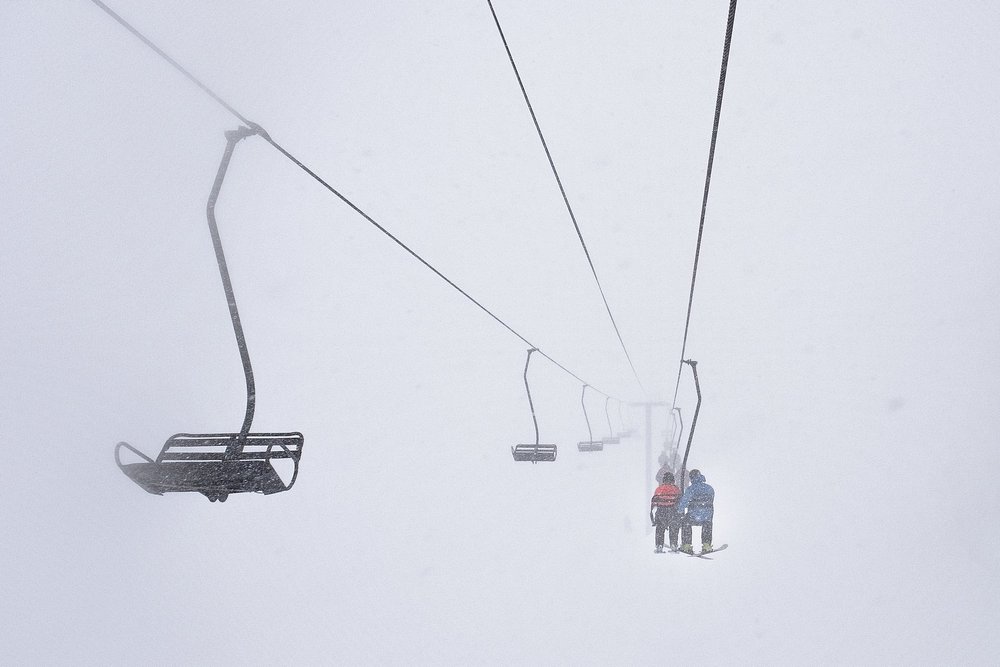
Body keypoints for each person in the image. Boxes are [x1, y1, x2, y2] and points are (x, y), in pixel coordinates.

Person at [676, 469, 715, 554]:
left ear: (691, 478)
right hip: (706, 517)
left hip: (693, 516)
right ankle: (706, 545)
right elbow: (711, 500)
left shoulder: (690, 489)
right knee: (707, 524)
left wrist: (679, 511)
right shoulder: (709, 488)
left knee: (685, 522)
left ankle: (686, 545)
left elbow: (684, 503)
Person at [649, 472, 681, 553]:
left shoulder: (658, 489)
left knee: (660, 528)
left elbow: (654, 502)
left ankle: (659, 545)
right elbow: (679, 501)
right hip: (672, 512)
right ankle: (673, 544)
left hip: (661, 512)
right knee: (673, 528)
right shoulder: (676, 489)